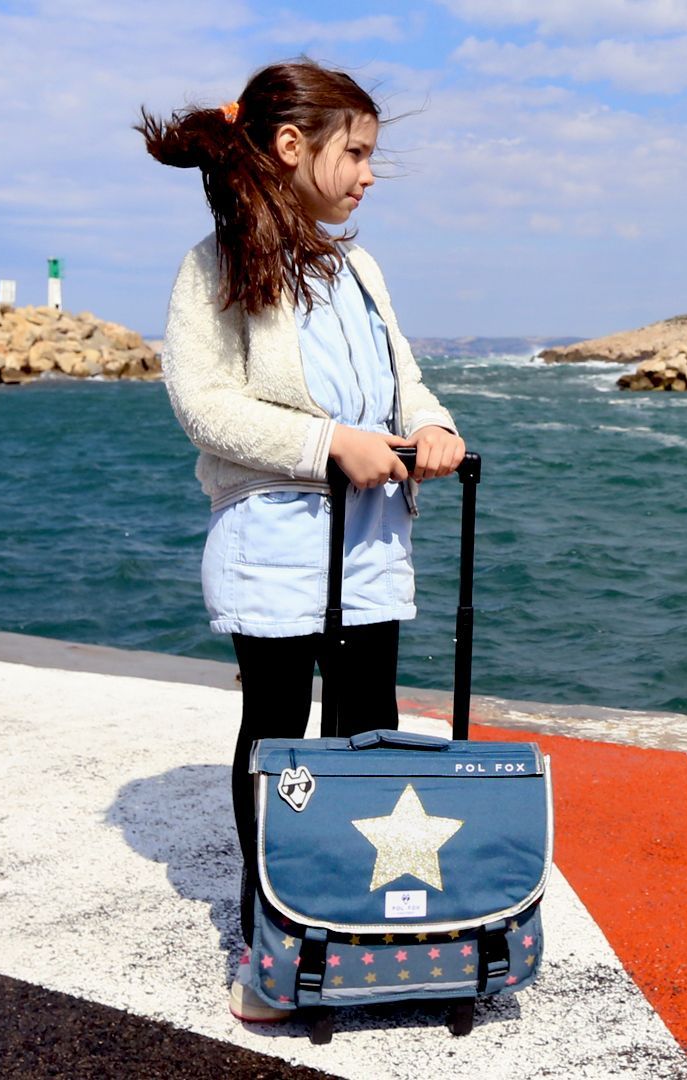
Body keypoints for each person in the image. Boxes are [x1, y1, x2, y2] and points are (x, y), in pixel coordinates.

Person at [137, 60, 465, 1022]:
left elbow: (404, 378)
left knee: (365, 735)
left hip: (368, 549)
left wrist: (434, 428)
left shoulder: (358, 266)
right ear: (293, 147)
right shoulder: (215, 266)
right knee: (280, 746)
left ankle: (356, 922)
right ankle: (274, 939)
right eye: (356, 151)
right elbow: (205, 409)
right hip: (275, 548)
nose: (370, 173)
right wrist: (330, 445)